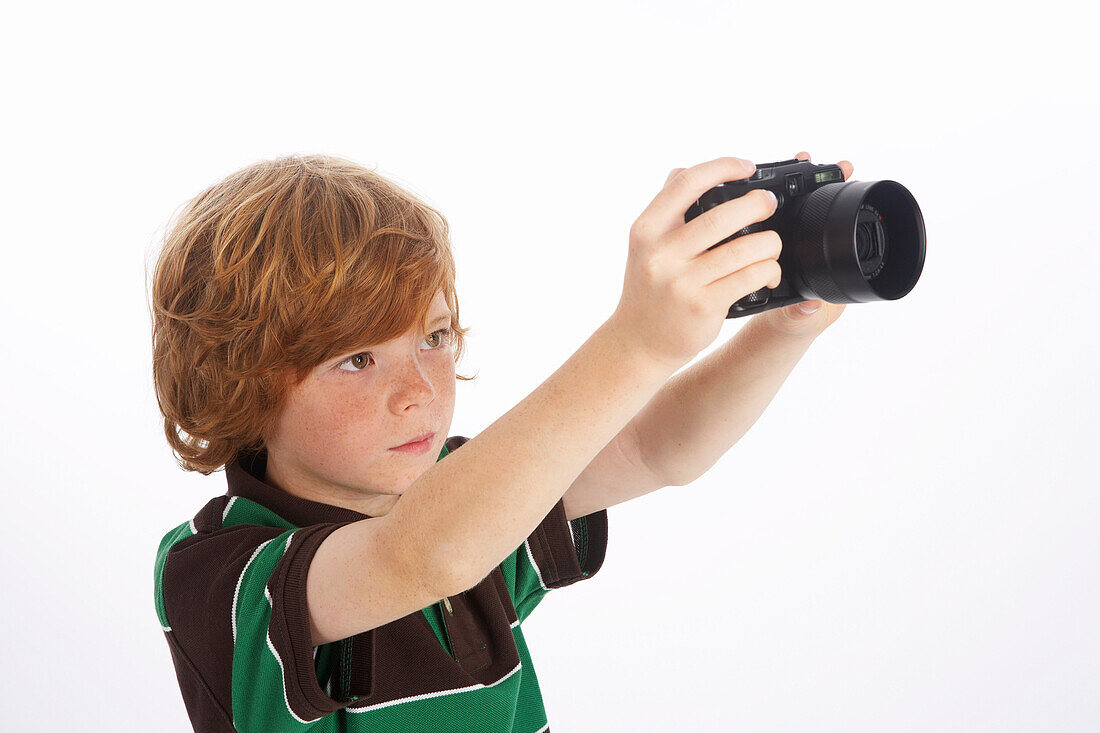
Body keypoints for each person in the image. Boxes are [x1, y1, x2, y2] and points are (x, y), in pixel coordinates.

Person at [150, 151, 851, 732]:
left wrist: (779, 332)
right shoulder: (216, 569)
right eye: (358, 358)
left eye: (434, 336)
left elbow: (651, 448)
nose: (420, 389)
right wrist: (636, 342)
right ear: (240, 381)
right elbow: (424, 555)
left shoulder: (472, 492)